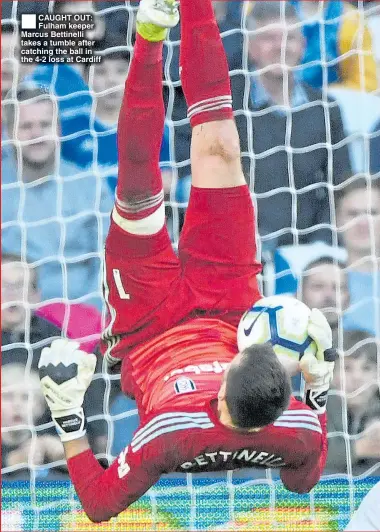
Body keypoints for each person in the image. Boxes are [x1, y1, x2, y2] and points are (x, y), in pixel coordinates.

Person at [38, 0, 336, 522]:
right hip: (231, 307)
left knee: (137, 188)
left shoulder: (167, 434)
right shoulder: (298, 430)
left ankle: (149, 36)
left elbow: (100, 506)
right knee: (221, 148)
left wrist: (68, 419)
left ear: (220, 390)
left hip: (146, 328)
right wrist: (318, 387)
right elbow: (304, 478)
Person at [233, 1, 352, 249]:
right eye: (269, 38)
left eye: (290, 38)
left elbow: (341, 187)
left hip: (312, 250)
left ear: (302, 45)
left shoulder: (326, 109)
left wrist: (318, 246)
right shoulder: (230, 106)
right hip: (242, 247)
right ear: (250, 47)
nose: (281, 47)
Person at [1, 84, 114, 308]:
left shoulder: (90, 185)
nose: (36, 135)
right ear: (9, 133)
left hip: (81, 312)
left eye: (44, 125)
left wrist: (90, 314)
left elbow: (108, 260)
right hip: (12, 317)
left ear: (59, 129)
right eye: (26, 126)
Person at [326, 330, 380, 476]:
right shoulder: (318, 411)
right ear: (331, 375)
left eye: (367, 368)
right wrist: (360, 448)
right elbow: (305, 458)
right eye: (347, 368)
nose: (357, 377)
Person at [293, 0, 378, 92]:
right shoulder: (280, 11)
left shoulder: (352, 22)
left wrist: (323, 96)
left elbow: (366, 84)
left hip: (328, 100)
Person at [336, 177, 380, 337]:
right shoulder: (318, 284)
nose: (363, 223)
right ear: (337, 220)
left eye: (372, 213)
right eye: (353, 214)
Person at [1, 253, 61, 370]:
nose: (11, 294)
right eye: (4, 286)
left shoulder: (53, 340)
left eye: (20, 286)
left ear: (35, 297)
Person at [299, 256, 350, 336]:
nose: (328, 295)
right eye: (318, 286)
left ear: (348, 299)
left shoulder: (365, 345)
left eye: (337, 288)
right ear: (300, 295)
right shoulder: (279, 344)